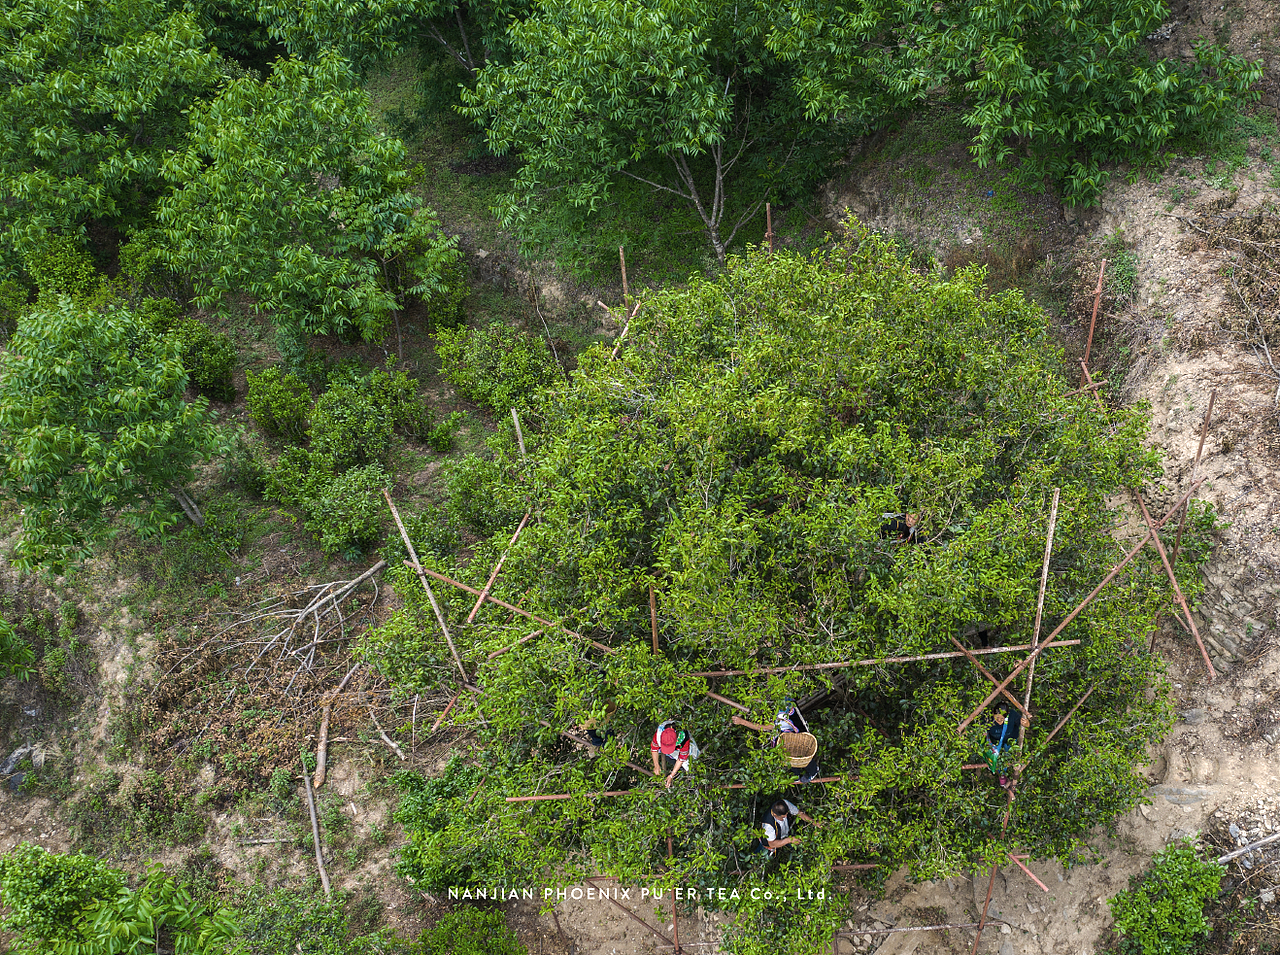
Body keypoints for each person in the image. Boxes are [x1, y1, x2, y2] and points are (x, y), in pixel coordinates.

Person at [731, 701, 819, 781]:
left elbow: (764, 727)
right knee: (785, 752)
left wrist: (742, 722)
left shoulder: (782, 709)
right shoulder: (773, 709)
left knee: (799, 751)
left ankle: (812, 770)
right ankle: (795, 773)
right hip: (785, 732)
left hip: (795, 732)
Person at [986, 708, 1030, 788]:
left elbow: (1025, 723)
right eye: (997, 718)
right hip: (995, 740)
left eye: (1001, 718)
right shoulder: (988, 717)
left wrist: (1026, 723)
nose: (999, 721)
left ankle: (1002, 773)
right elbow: (979, 728)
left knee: (1007, 754)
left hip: (1010, 739)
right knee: (993, 753)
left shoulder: (1012, 715)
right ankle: (993, 764)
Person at [651, 721, 699, 789]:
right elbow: (654, 749)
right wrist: (656, 765)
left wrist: (671, 775)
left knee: (692, 762)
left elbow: (682, 758)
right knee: (669, 757)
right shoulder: (659, 733)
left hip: (683, 745)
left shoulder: (683, 738)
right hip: (673, 746)